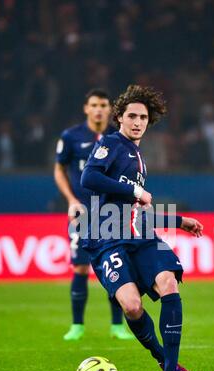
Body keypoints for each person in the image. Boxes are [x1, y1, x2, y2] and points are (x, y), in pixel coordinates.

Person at [81, 85, 203, 371]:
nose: (138, 122)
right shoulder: (111, 144)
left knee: (169, 283)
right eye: (132, 116)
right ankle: (163, 358)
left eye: (143, 117)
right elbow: (89, 177)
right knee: (133, 307)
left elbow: (136, 210)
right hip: (105, 237)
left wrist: (178, 220)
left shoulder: (138, 156)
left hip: (139, 234)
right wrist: (135, 189)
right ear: (119, 118)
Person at [54, 89, 133, 341]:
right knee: (80, 267)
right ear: (86, 108)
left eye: (103, 105)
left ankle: (117, 326)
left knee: (115, 266)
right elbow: (59, 169)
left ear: (110, 109)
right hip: (83, 212)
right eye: (94, 105)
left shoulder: (117, 137)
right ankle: (77, 325)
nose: (99, 109)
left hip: (111, 212)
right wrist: (71, 200)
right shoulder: (71, 137)